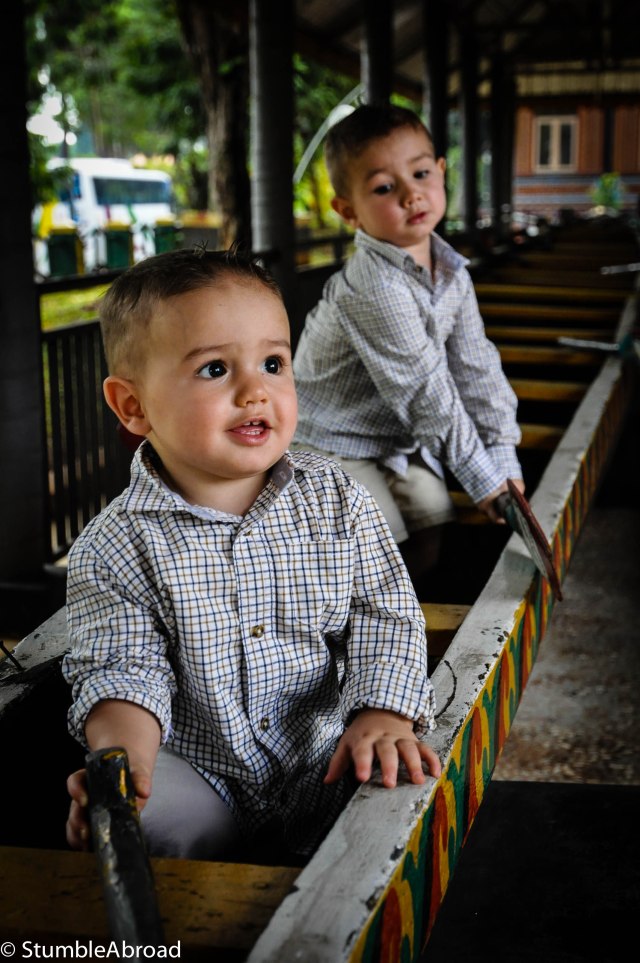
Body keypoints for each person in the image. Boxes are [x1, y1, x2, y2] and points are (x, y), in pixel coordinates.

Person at [63, 247, 441, 863]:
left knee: (401, 782)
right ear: (132, 405)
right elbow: (121, 669)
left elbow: (386, 613)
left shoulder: (336, 498)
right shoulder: (114, 547)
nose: (254, 391)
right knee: (141, 816)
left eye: (273, 362)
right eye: (215, 370)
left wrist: (382, 711)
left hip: (328, 753)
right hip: (202, 766)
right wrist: (123, 759)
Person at [292, 103, 524, 582]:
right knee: (380, 546)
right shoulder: (374, 286)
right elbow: (427, 392)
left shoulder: (452, 272)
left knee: (434, 517)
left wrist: (503, 456)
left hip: (394, 439)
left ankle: (407, 623)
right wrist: (484, 480)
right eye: (383, 187)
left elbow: (475, 367)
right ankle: (364, 635)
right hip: (328, 443)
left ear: (441, 172)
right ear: (348, 211)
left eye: (420, 173)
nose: (411, 195)